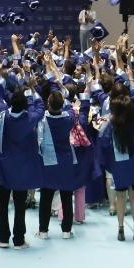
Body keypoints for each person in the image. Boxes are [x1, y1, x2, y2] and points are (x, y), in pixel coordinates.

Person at [0, 87, 41, 249]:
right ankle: (19, 240)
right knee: (20, 207)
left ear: (11, 103)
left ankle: (3, 239)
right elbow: (40, 107)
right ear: (25, 105)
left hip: (4, 169)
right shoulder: (30, 118)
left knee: (2, 206)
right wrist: (31, 92)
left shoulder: (3, 115)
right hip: (22, 170)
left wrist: (3, 80)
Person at [100, 95, 134, 242]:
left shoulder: (112, 124)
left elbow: (104, 142)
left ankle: (121, 229)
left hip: (119, 164)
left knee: (120, 197)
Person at [37, 92, 81, 239]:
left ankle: (43, 231)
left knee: (46, 198)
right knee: (66, 196)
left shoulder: (42, 118)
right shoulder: (68, 118)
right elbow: (71, 108)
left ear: (48, 104)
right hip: (65, 161)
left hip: (48, 162)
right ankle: (66, 231)